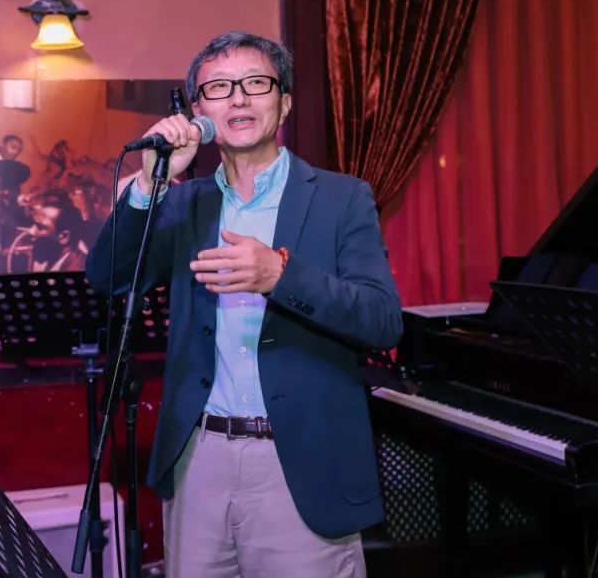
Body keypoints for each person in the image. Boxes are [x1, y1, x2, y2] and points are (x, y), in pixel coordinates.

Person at [85, 31, 402, 577]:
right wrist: (150, 183)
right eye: (219, 87)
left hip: (300, 460)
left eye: (256, 83)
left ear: (285, 102)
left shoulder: (342, 197)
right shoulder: (183, 202)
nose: (238, 98)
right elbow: (108, 276)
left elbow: (382, 320)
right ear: (199, 113)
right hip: (198, 457)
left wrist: (279, 275)